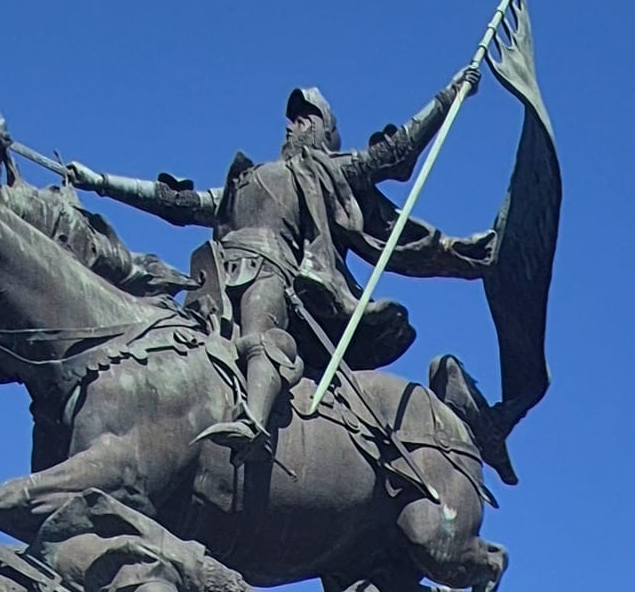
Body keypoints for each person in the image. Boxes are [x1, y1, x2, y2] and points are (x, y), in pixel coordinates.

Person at [65, 74, 491, 448]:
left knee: (260, 333)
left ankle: (252, 422)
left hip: (272, 275)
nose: (292, 126)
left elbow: (397, 153)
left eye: (305, 119)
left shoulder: (330, 170)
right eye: (292, 119)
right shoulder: (249, 178)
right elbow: (179, 202)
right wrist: (101, 183)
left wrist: (449, 95)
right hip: (211, 278)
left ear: (324, 132)